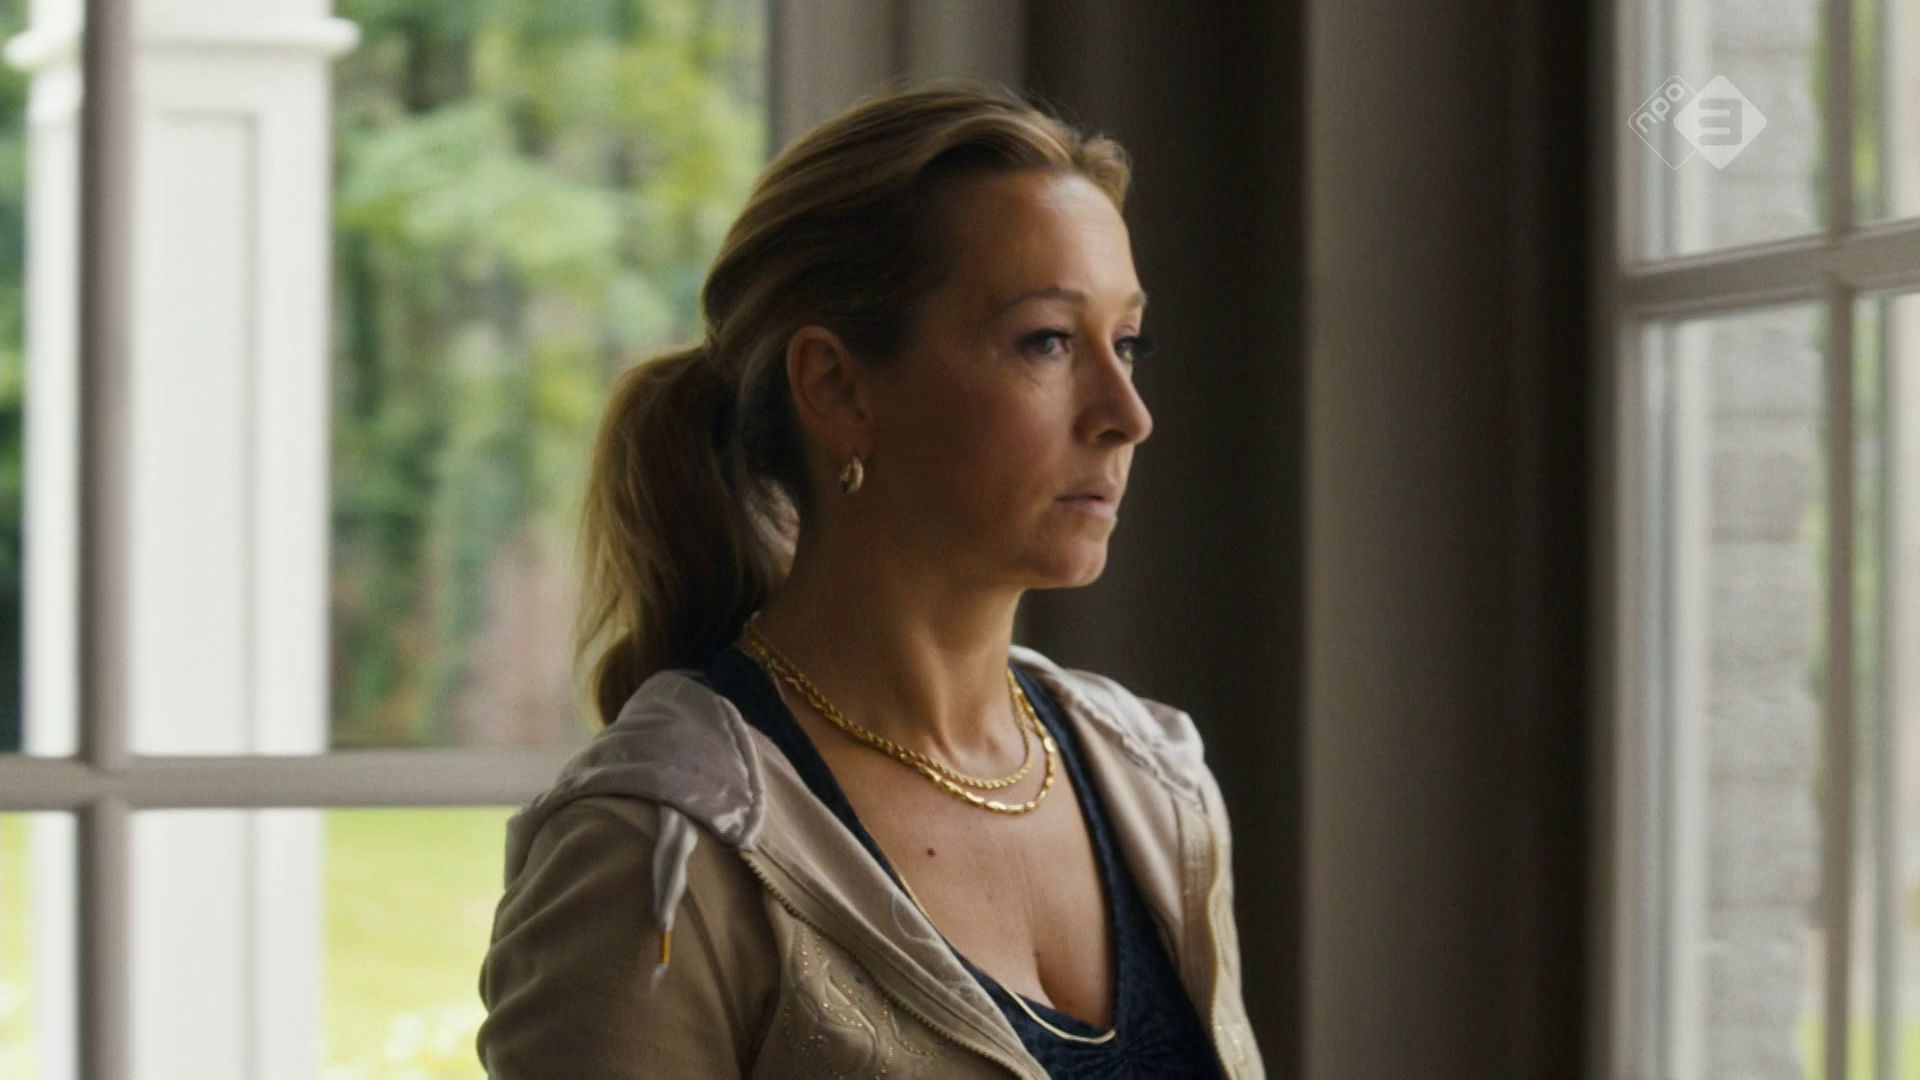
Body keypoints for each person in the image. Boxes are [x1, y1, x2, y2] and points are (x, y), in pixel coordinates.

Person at [474, 76, 1264, 1079]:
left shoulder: (1158, 787)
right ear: (838, 387)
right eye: (1048, 342)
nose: (1126, 414)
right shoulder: (662, 856)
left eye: (1129, 343)